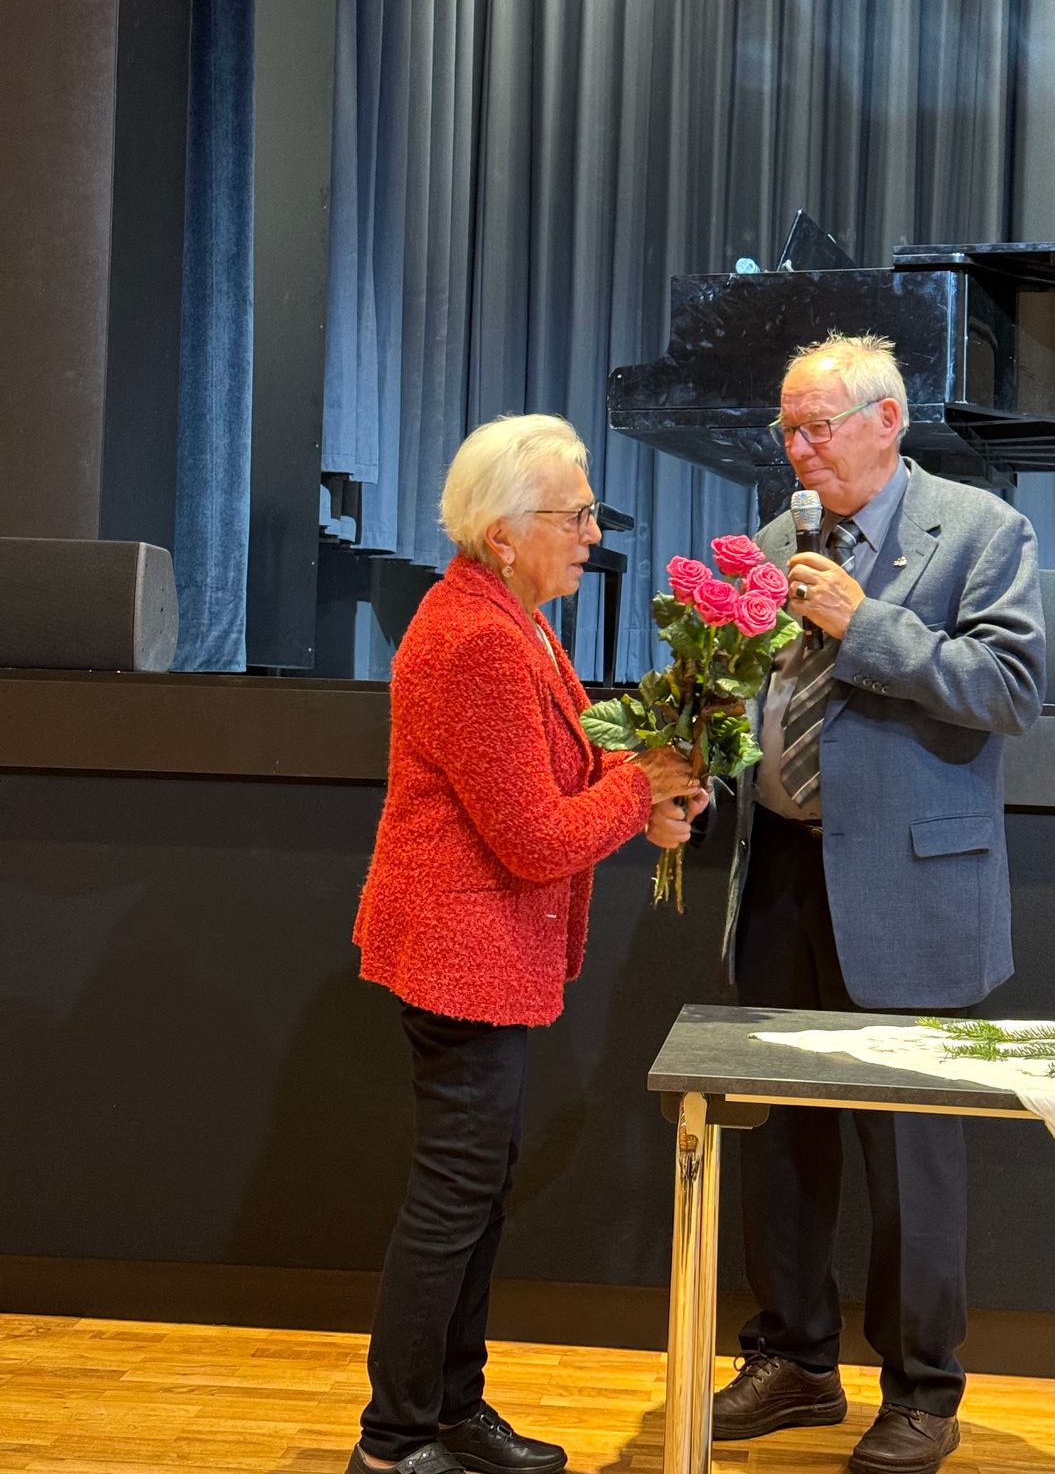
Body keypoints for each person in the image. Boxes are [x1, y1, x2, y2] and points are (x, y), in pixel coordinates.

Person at [712, 335, 1046, 1474]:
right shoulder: (773, 540)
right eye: (786, 431)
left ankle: (922, 1391)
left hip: (912, 884)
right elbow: (749, 697)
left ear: (887, 421)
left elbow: (1009, 690)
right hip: (781, 877)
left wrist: (868, 623)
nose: (798, 452)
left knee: (913, 1158)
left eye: (816, 429)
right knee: (781, 1139)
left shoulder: (982, 530)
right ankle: (796, 1358)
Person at [348, 413, 705, 1474]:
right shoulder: (478, 639)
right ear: (504, 533)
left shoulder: (518, 621)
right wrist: (644, 785)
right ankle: (395, 1440)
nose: (594, 533)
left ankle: (454, 1414)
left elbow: (562, 784)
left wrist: (636, 791)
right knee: (453, 1201)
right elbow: (536, 837)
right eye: (575, 515)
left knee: (474, 1194)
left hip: (484, 957)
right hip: (459, 957)